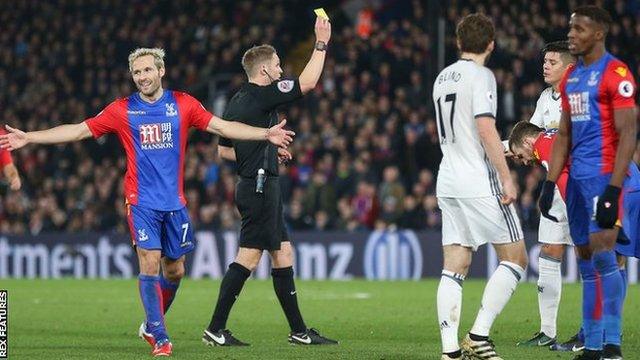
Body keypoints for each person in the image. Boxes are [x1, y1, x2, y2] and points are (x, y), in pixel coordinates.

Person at [0, 47, 295, 357]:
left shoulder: (183, 104)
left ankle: (150, 324)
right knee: (149, 262)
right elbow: (77, 130)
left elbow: (222, 127)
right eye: (136, 72)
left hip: (175, 204)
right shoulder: (122, 110)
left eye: (147, 70)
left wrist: (265, 134)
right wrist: (29, 137)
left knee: (176, 271)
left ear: (161, 71)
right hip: (141, 202)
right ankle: (160, 335)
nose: (141, 77)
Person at [202, 16, 337, 347]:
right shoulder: (265, 95)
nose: (281, 70)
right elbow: (306, 83)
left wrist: (265, 151)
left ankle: (299, 331)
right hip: (259, 187)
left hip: (257, 183)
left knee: (283, 253)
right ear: (264, 72)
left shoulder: (237, 100)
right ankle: (215, 328)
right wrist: (321, 43)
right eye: (277, 65)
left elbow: (224, 152)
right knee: (249, 256)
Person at [539, 5, 638, 360]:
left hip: (606, 176)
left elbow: (629, 134)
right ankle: (592, 344)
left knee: (605, 256)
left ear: (598, 33)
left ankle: (612, 342)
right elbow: (563, 133)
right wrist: (550, 183)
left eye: (579, 29)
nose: (572, 34)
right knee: (584, 259)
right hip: (576, 180)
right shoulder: (572, 79)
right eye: (570, 28)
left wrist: (614, 187)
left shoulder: (616, 73)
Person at [433, 13, 528, 360]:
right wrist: (506, 174)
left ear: (459, 43)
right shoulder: (482, 75)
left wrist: (502, 147)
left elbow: (462, 135)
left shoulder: (442, 78)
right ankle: (479, 335)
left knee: (454, 265)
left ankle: (450, 351)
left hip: (448, 179)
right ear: (491, 44)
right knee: (516, 258)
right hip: (478, 180)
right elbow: (483, 129)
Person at [508, 41, 576, 348]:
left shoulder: (578, 96)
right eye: (544, 61)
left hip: (579, 185)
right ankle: (547, 331)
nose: (545, 66)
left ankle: (597, 329)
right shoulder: (546, 98)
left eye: (551, 62)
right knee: (550, 252)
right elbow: (528, 140)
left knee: (595, 256)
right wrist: (497, 149)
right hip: (554, 190)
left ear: (566, 65)